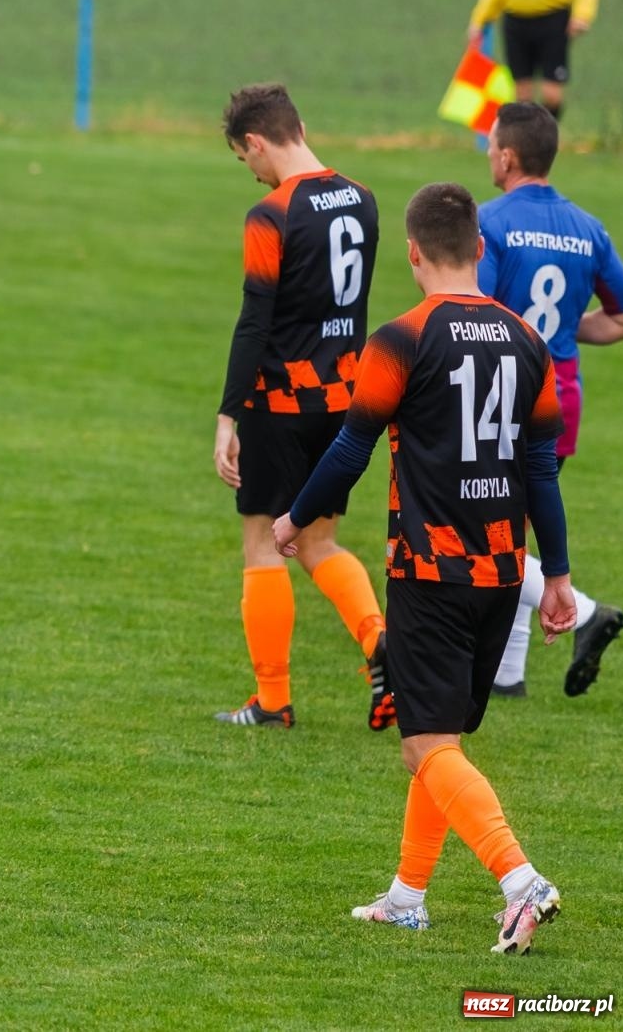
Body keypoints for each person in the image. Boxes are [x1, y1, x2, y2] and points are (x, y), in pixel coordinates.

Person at [274, 181, 573, 955]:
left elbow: (350, 449)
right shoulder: (526, 339)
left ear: (411, 254)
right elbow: (543, 469)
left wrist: (295, 517)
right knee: (442, 741)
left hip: (429, 572)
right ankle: (408, 895)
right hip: (504, 572)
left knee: (425, 746)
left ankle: (520, 879)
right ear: (480, 249)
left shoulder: (402, 338)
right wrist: (562, 576)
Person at [212, 83, 389, 730]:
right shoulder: (364, 198)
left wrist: (228, 415)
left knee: (263, 540)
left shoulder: (272, 213)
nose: (251, 172)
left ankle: (273, 700)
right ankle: (381, 643)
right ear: (301, 125)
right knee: (318, 539)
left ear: (257, 141)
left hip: (280, 400)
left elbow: (255, 319)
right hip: (344, 399)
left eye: (244, 159)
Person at [478, 102, 623, 698]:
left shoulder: (490, 222)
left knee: (487, 535)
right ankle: (509, 676)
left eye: (491, 146)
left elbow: (478, 314)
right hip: (561, 397)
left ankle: (587, 612)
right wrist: (567, 328)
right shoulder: (589, 229)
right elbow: (621, 318)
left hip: (505, 396)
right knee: (513, 532)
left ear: (509, 156)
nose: (488, 154)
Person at [466, 0, 598, 121]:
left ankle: (546, 137)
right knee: (522, 95)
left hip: (553, 20)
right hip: (515, 22)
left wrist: (582, 14)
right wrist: (479, 20)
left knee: (552, 95)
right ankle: (527, 142)